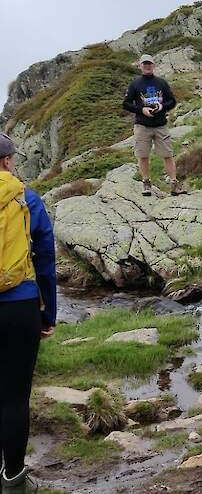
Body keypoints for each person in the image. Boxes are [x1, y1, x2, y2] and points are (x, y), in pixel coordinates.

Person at [0, 133, 57, 494]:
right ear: (7, 161)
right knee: (15, 396)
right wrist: (48, 312)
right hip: (19, 306)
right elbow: (46, 260)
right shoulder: (26, 198)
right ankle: (14, 479)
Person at [122, 54, 183, 197]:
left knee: (168, 155)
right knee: (143, 155)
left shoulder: (161, 83)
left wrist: (162, 107)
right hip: (142, 126)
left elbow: (172, 101)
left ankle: (174, 184)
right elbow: (126, 104)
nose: (147, 66)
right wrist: (141, 109)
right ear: (140, 66)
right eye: (145, 64)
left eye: (149, 64)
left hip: (161, 125)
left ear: (153, 65)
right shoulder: (135, 84)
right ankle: (146, 183)